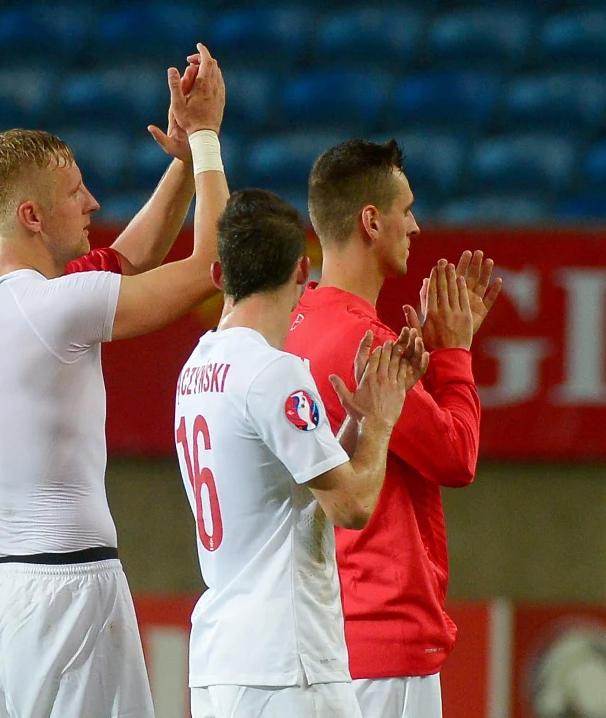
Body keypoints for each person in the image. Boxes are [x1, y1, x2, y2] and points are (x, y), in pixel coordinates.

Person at [0, 43, 226, 717]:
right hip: (64, 592)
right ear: (32, 217)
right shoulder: (53, 307)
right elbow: (212, 264)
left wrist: (181, 165)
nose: (93, 201)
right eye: (76, 194)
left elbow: (132, 256)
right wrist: (210, 138)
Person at [173, 188, 429, 718]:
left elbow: (286, 488)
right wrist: (381, 421)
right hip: (288, 665)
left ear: (220, 277)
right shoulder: (274, 372)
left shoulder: (195, 369)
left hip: (220, 662)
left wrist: (355, 420)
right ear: (300, 273)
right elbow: (351, 507)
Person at [284, 139, 504, 717]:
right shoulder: (366, 344)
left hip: (317, 633)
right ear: (371, 221)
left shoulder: (295, 326)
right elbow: (455, 457)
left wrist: (424, 362)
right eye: (406, 210)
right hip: (384, 635)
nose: (417, 226)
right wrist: (455, 353)